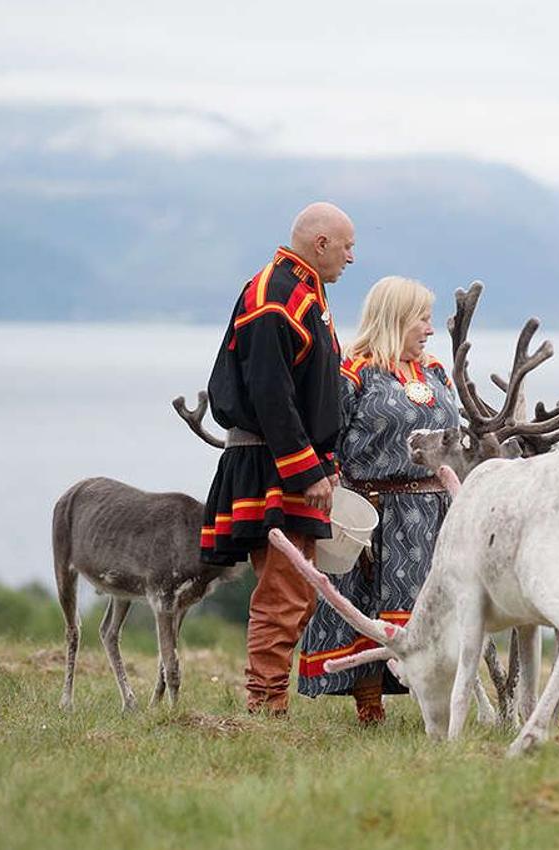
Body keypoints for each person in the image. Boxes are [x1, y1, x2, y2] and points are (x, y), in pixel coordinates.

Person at [200, 202, 356, 715]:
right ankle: (264, 706)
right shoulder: (276, 293)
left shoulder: (303, 289)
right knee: (285, 590)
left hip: (286, 460)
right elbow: (270, 391)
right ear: (321, 243)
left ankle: (267, 701)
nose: (352, 258)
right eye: (348, 246)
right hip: (273, 464)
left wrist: (322, 461)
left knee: (296, 589)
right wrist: (307, 468)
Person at [297, 276, 458, 725]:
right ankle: (370, 706)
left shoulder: (436, 372)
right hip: (376, 509)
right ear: (396, 318)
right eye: (421, 319)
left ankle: (441, 703)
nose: (429, 328)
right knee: (368, 607)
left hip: (434, 511)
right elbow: (327, 439)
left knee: (436, 611)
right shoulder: (354, 372)